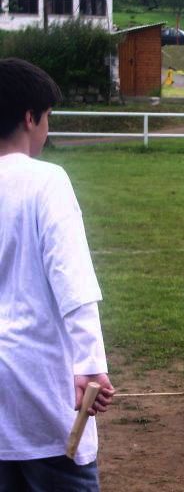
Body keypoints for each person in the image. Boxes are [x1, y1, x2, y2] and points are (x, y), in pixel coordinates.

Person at [0, 59, 115, 489]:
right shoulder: (46, 180)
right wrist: (90, 365)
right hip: (40, 386)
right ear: (30, 117)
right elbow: (74, 279)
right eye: (47, 116)